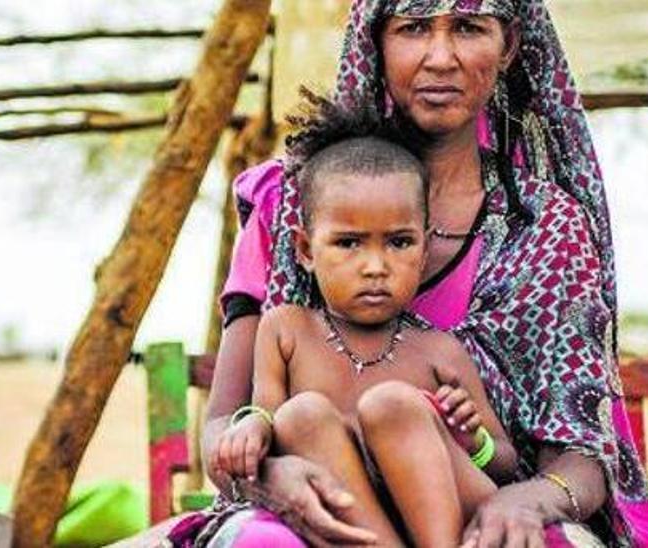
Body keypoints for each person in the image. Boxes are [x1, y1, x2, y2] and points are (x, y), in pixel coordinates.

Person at [180, 1, 648, 546]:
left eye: (467, 27)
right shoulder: (292, 203)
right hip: (319, 506)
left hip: (478, 509)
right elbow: (224, 426)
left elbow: (581, 455)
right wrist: (272, 476)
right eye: (413, 28)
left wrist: (524, 500)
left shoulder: (548, 227)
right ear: (375, 42)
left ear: (507, 45)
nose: (440, 57)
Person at [211, 95, 518, 547]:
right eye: (349, 243)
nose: (375, 266)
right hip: (346, 510)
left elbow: (505, 462)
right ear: (305, 250)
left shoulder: (438, 350)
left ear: (425, 245)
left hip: (443, 516)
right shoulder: (285, 329)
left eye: (398, 242)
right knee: (301, 415)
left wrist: (472, 441)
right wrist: (252, 427)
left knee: (392, 405)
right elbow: (269, 413)